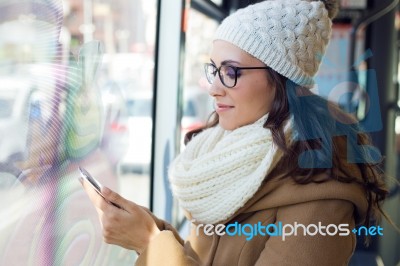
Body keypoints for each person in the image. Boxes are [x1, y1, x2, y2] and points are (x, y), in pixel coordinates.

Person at [80, 0, 389, 265]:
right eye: (214, 70)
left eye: (231, 72)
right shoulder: (230, 156)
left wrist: (148, 242)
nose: (214, 89)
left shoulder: (322, 193)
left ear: (282, 80)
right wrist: (151, 229)